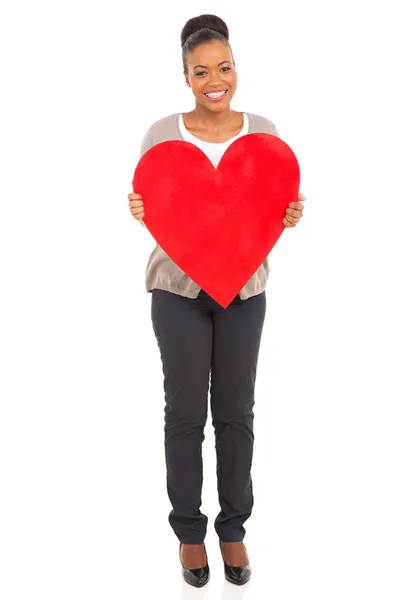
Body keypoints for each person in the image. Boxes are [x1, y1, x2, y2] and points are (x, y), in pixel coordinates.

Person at [127, 13, 305, 587]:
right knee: (184, 416)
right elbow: (163, 208)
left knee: (235, 415)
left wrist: (289, 215)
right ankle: (188, 535)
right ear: (185, 76)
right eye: (201, 70)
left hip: (245, 294)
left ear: (236, 70)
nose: (214, 79)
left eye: (223, 67)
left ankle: (233, 529)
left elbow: (266, 210)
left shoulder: (265, 132)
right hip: (176, 293)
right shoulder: (161, 134)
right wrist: (140, 210)